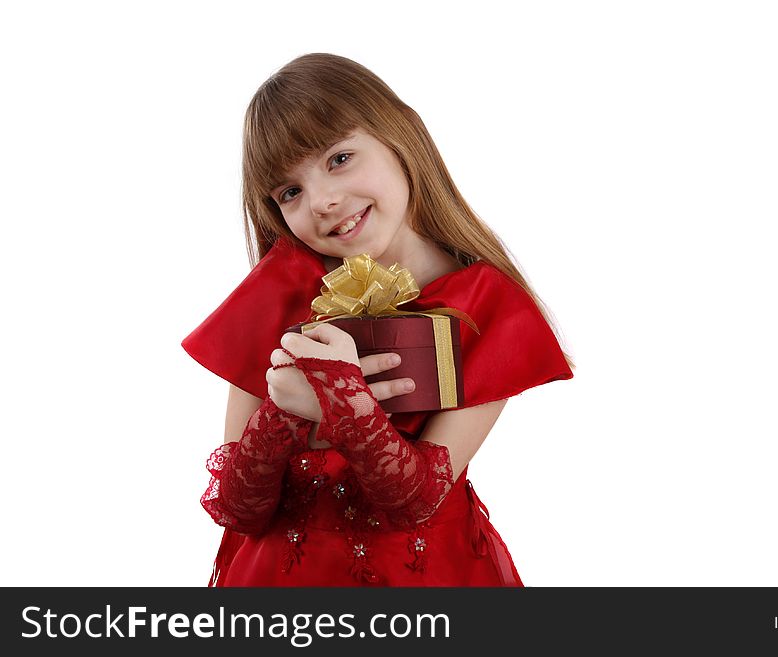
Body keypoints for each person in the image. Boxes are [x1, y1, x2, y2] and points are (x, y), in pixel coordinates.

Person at [182, 53, 575, 587]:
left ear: (400, 135)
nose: (322, 200)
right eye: (290, 192)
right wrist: (283, 414)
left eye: (339, 158)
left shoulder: (487, 306)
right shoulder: (280, 291)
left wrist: (337, 396)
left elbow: (413, 500)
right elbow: (237, 509)